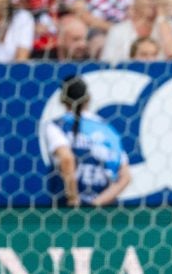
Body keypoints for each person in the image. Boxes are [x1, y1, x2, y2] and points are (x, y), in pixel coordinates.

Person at [45, 75, 132, 207]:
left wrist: (74, 199)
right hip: (103, 209)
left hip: (66, 207)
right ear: (88, 98)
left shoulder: (57, 126)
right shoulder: (107, 129)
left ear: (62, 99)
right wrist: (96, 203)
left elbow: (67, 159)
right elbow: (125, 177)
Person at [101, 0, 172, 62]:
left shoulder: (169, 25)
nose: (153, 2)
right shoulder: (118, 30)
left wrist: (161, 17)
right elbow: (106, 63)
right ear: (136, 1)